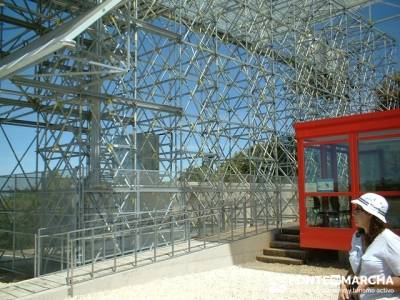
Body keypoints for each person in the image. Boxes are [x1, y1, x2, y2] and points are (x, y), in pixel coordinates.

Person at [338, 193, 400, 300]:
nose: (353, 214)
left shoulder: (389, 240)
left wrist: (371, 282)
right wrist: (344, 285)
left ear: (371, 214)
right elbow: (357, 266)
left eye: (358, 210)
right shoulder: (357, 237)